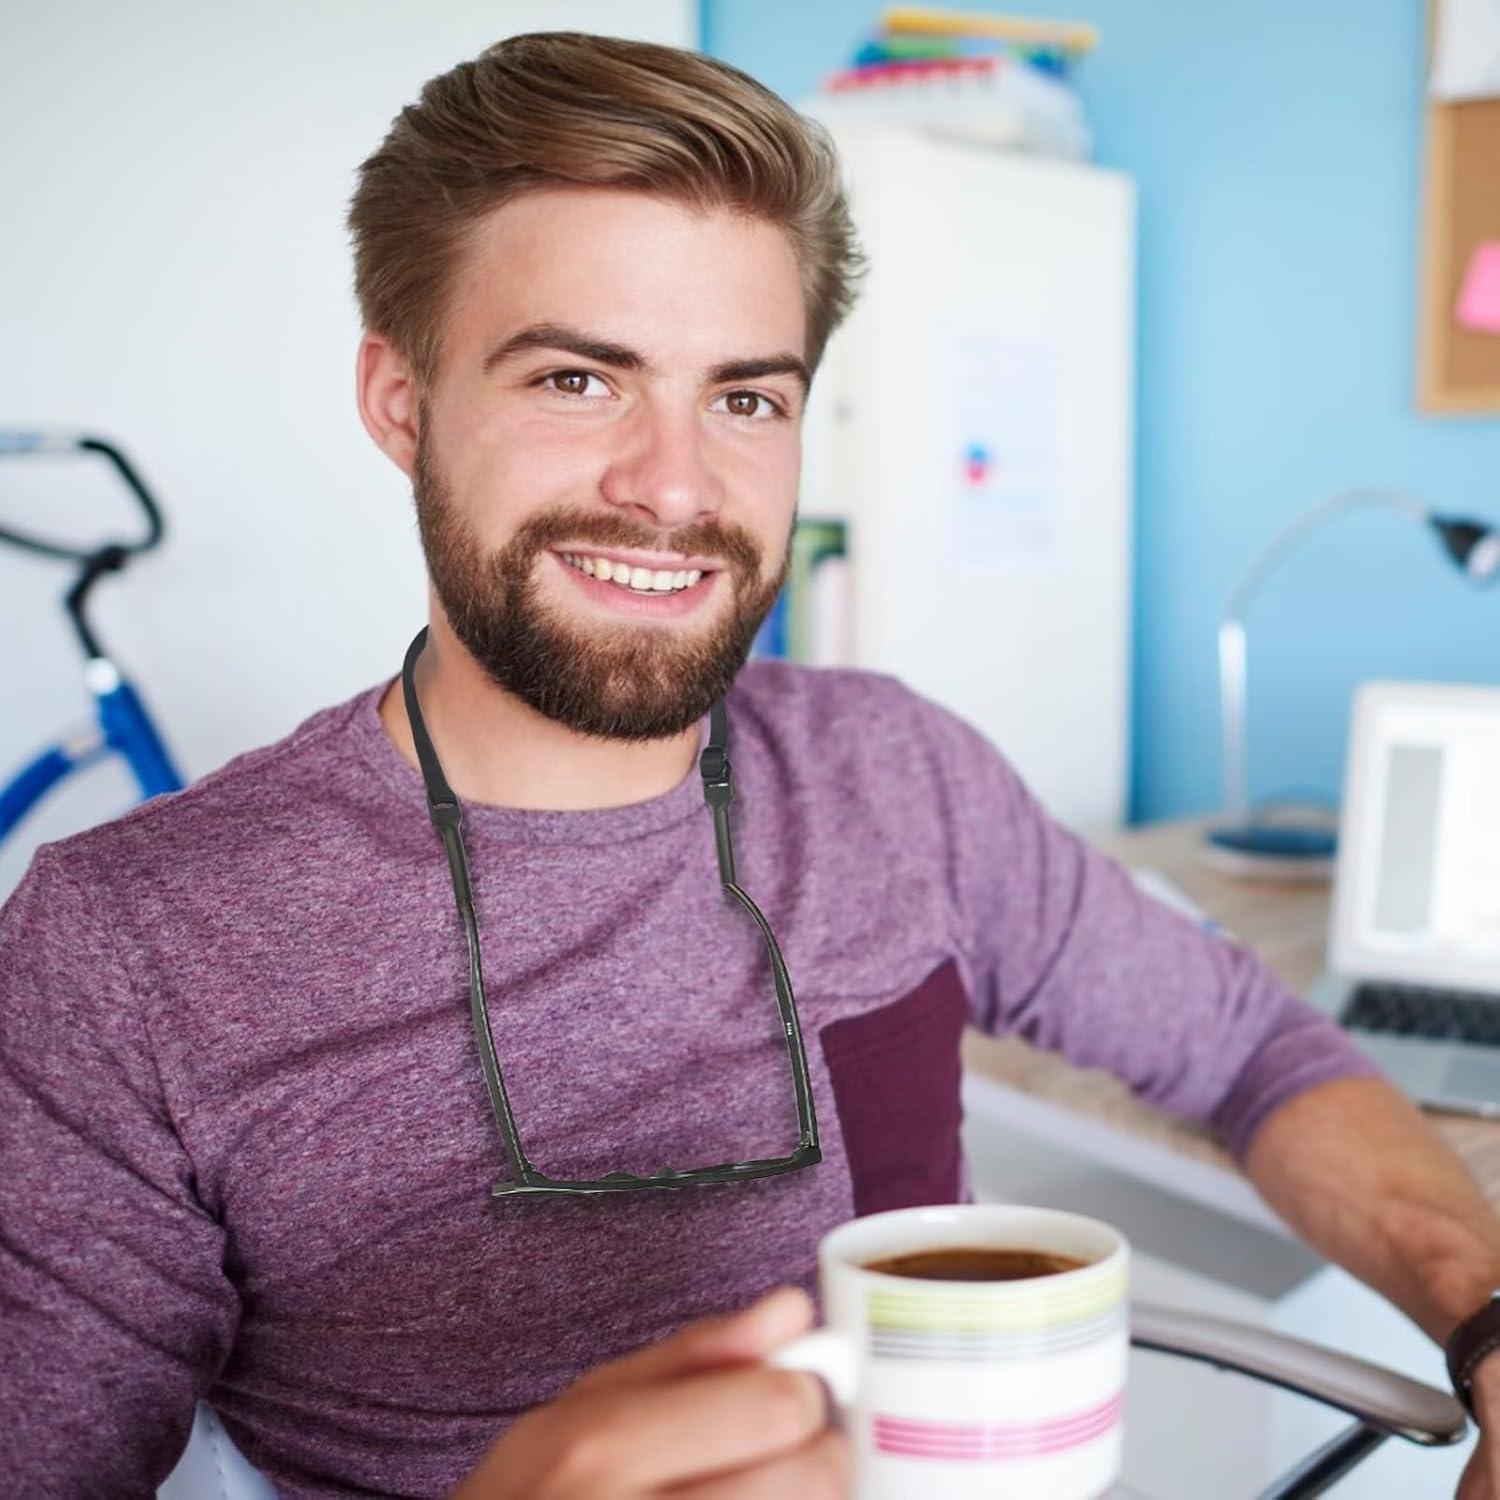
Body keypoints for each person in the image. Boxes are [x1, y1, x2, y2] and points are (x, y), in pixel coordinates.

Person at [3, 30, 1500, 1500]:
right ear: (402, 404)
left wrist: (1489, 1326)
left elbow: (1253, 1051)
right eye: (577, 381)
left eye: (745, 398)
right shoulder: (123, 952)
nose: (675, 487)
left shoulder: (891, 772)